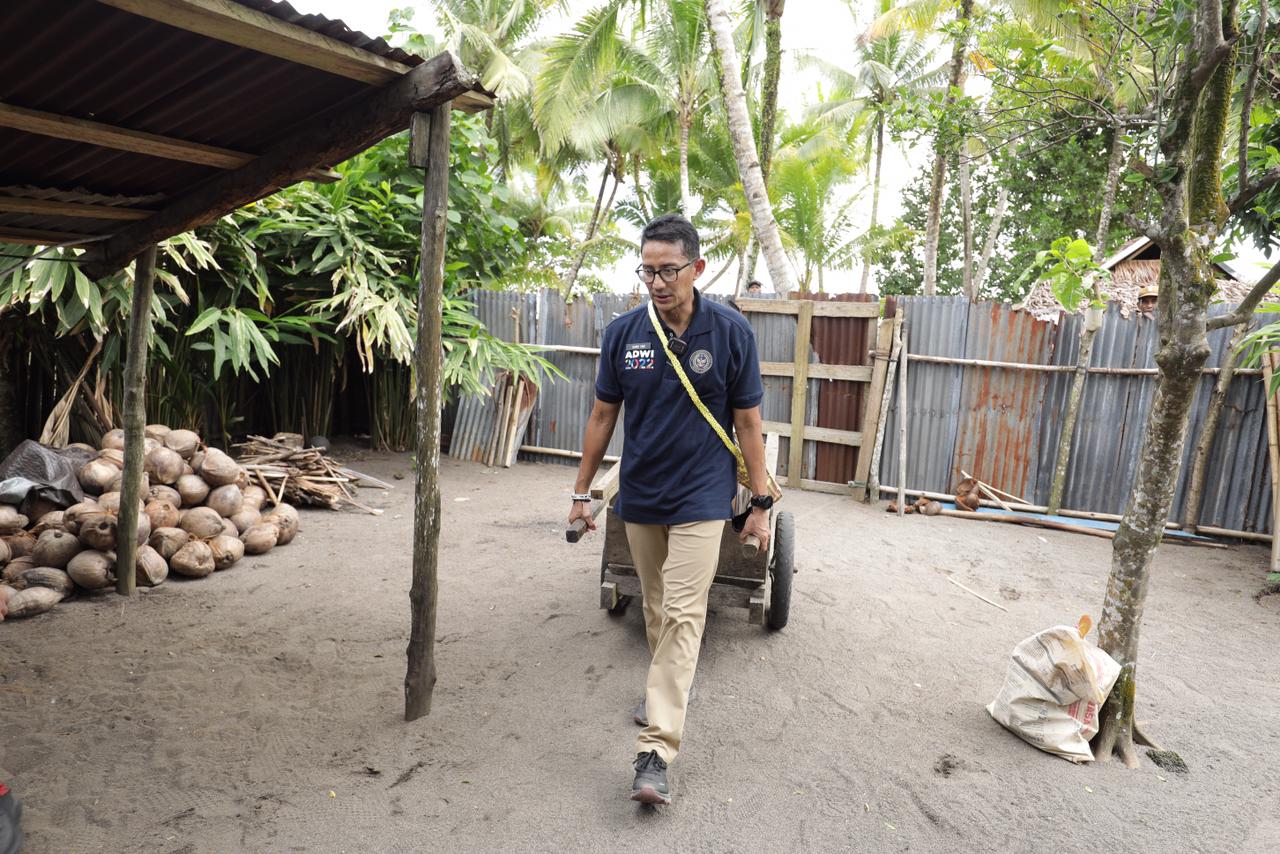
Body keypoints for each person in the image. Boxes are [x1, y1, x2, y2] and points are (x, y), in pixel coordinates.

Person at [567, 213, 773, 806]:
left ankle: (655, 751)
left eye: (668, 271)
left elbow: (750, 425)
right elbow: (603, 416)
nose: (656, 283)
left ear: (697, 268)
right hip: (641, 496)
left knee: (684, 613)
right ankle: (665, 690)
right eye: (647, 271)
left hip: (702, 498)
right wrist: (583, 493)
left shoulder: (731, 333)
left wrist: (757, 504)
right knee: (657, 609)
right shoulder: (624, 334)